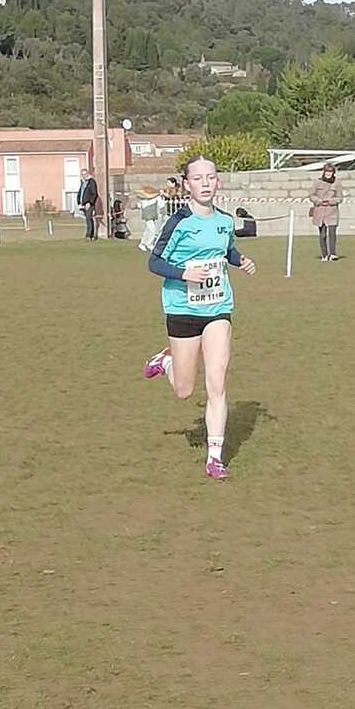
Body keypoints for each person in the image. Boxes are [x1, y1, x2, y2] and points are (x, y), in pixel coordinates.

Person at [143, 154, 256, 480]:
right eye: (198, 178)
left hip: (218, 308)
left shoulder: (224, 220)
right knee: (184, 390)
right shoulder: (178, 222)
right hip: (182, 310)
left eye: (211, 177)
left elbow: (226, 250)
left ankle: (215, 457)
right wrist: (184, 274)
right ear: (187, 184)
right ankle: (165, 361)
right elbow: (154, 262)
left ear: (217, 181)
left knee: (217, 382)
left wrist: (241, 261)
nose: (205, 183)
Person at [309, 164, 344, 260]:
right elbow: (311, 195)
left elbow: (340, 198)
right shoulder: (317, 182)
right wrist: (318, 200)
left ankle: (333, 254)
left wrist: (330, 201)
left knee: (332, 233)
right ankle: (324, 254)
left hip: (332, 212)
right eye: (327, 171)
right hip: (320, 211)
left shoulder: (337, 183)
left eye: (330, 172)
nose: (328, 174)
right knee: (322, 234)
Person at [78, 168, 99, 240]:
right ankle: (90, 235)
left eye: (85, 174)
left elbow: (94, 194)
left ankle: (89, 235)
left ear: (87, 174)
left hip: (89, 204)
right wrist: (79, 202)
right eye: (82, 174)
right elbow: (80, 193)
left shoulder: (91, 182)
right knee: (88, 219)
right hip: (83, 204)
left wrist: (90, 203)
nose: (83, 176)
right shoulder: (83, 183)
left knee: (89, 219)